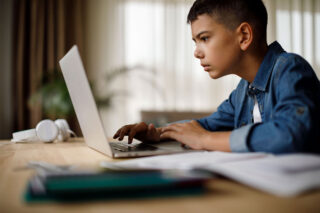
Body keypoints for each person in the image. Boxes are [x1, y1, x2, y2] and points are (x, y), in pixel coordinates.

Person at [113, 0, 320, 154]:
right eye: (195, 41)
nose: (196, 52)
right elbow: (206, 126)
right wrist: (156, 133)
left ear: (244, 36)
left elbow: (290, 134)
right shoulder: (242, 91)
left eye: (204, 38)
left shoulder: (289, 69)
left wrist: (206, 140)